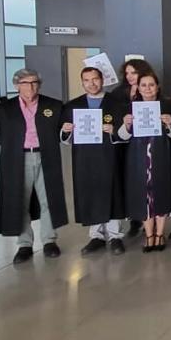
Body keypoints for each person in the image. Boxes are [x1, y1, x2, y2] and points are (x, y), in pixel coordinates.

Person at [0, 69, 67, 264]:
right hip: (18, 159)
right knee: (19, 201)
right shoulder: (4, 109)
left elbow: (61, 131)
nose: (30, 87)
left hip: (46, 156)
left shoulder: (53, 105)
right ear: (17, 85)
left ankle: (49, 241)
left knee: (47, 198)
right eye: (25, 83)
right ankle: (25, 244)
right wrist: (17, 148)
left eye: (34, 82)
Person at [60, 67, 126, 256]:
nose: (92, 83)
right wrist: (66, 130)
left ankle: (115, 236)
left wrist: (113, 130)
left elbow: (125, 132)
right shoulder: (73, 106)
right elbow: (65, 138)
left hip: (109, 155)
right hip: (85, 157)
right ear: (82, 82)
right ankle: (95, 236)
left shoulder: (116, 103)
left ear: (102, 80)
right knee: (90, 193)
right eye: (87, 80)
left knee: (111, 192)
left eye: (95, 79)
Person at [116, 71, 171, 253]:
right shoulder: (130, 108)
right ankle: (149, 233)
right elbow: (121, 136)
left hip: (161, 155)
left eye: (151, 85)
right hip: (137, 157)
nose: (148, 88)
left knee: (160, 191)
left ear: (157, 87)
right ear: (138, 88)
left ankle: (160, 233)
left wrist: (169, 124)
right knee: (143, 194)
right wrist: (126, 125)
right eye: (143, 85)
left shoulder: (167, 106)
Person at [111, 58, 154, 238]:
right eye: (127, 73)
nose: (129, 76)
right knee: (130, 182)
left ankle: (148, 220)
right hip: (124, 144)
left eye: (133, 72)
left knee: (147, 182)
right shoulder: (117, 93)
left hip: (146, 144)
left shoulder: (151, 90)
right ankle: (135, 220)